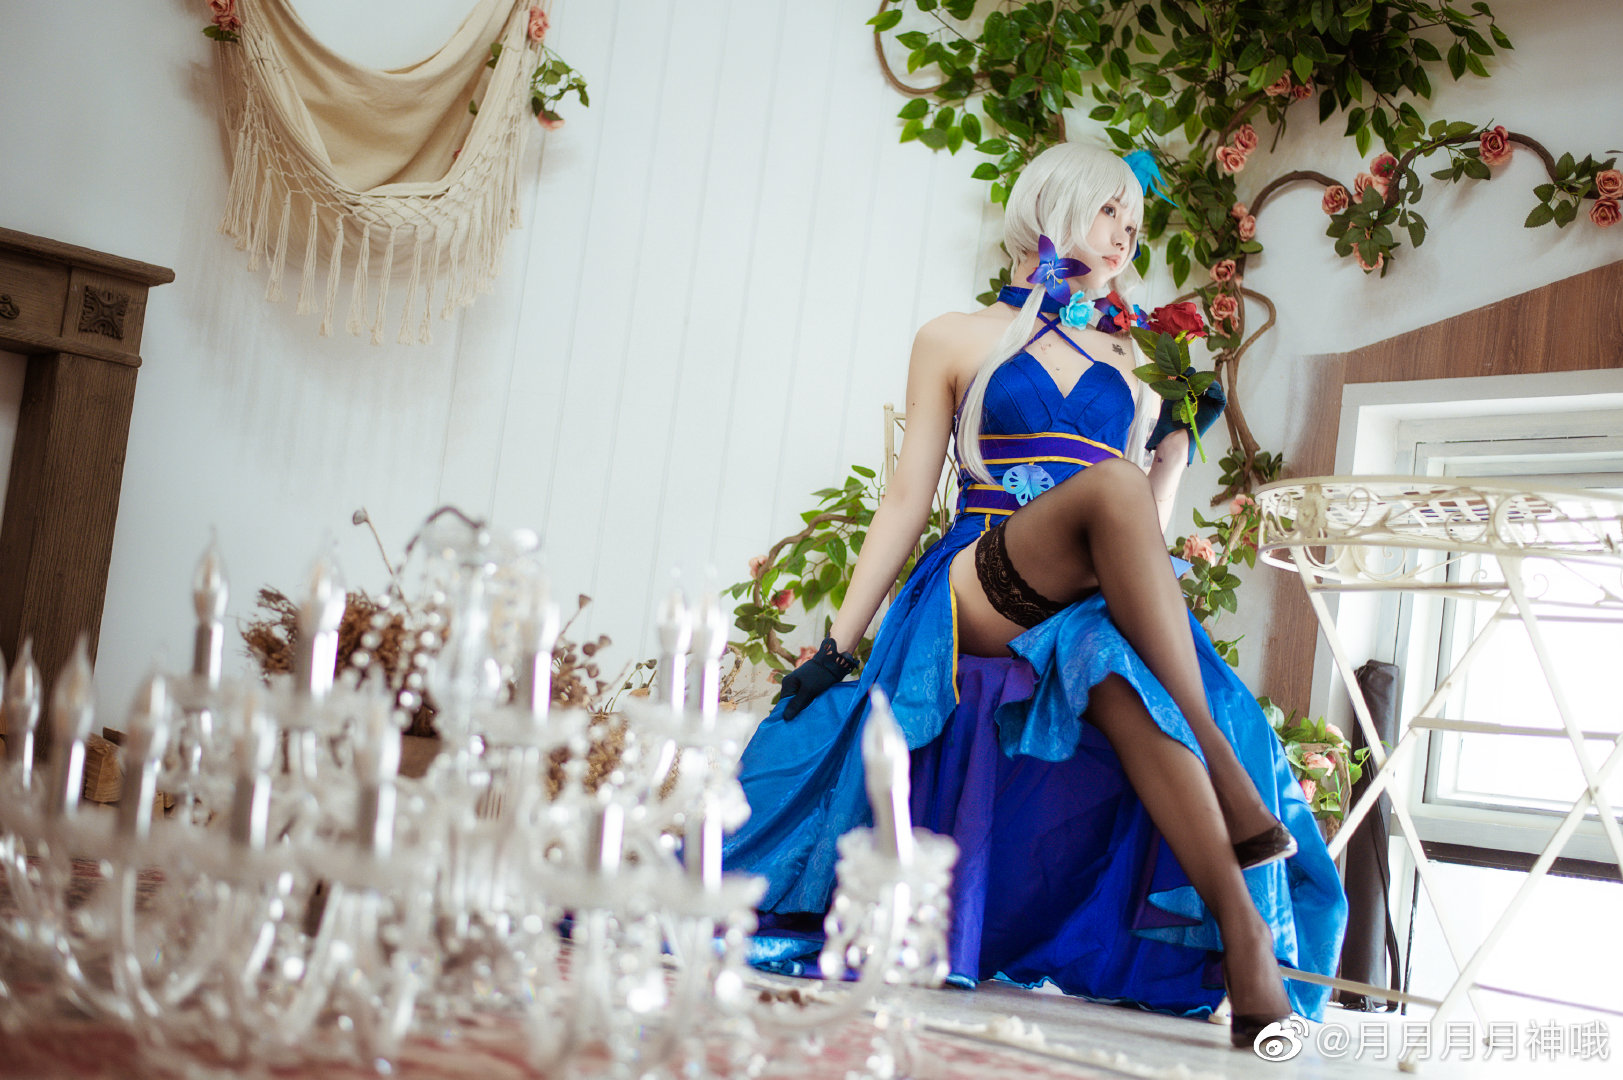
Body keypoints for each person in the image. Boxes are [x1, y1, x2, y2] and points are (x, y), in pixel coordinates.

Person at [723, 142, 1345, 1046]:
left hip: (1086, 601)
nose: (1125, 236)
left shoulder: (1135, 359)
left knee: (1114, 664)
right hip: (978, 579)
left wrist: (1173, 450)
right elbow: (906, 499)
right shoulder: (953, 336)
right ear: (1051, 205)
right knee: (1110, 488)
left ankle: (1246, 944)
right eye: (1109, 212)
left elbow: (1143, 534)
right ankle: (1223, 765)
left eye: (1134, 223)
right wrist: (837, 645)